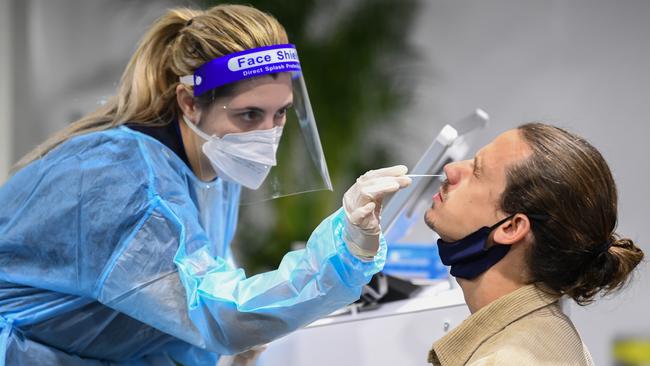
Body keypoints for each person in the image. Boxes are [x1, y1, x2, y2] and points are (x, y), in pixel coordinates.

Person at [0, 5, 411, 365]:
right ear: (189, 102)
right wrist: (346, 250)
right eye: (250, 115)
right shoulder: (123, 184)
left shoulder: (211, 161)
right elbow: (215, 313)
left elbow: (188, 291)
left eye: (281, 114)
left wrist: (225, 347)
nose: (268, 135)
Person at [424, 123, 644, 365]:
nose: (451, 169)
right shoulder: (551, 332)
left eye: (477, 172)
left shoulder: (504, 361)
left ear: (511, 228)